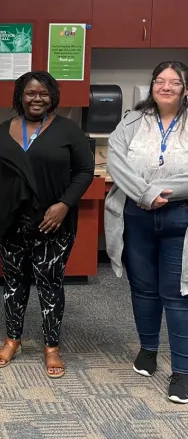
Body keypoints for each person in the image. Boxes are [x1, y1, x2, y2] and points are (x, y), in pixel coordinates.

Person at [0, 71, 93, 378]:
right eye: (30, 93)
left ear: (52, 97)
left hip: (51, 224)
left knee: (50, 285)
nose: (37, 98)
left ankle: (51, 347)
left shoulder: (68, 130)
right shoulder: (4, 129)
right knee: (13, 284)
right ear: (20, 96)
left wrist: (63, 205)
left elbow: (85, 171)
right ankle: (12, 340)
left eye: (43, 93)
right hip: (11, 222)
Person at [105, 61, 188, 404]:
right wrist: (144, 194)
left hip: (179, 217)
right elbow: (115, 160)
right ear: (151, 86)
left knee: (178, 292)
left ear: (185, 89)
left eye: (174, 82)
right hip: (136, 216)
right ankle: (148, 350)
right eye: (159, 81)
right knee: (143, 288)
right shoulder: (132, 121)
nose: (165, 87)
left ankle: (182, 370)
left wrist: (160, 192)